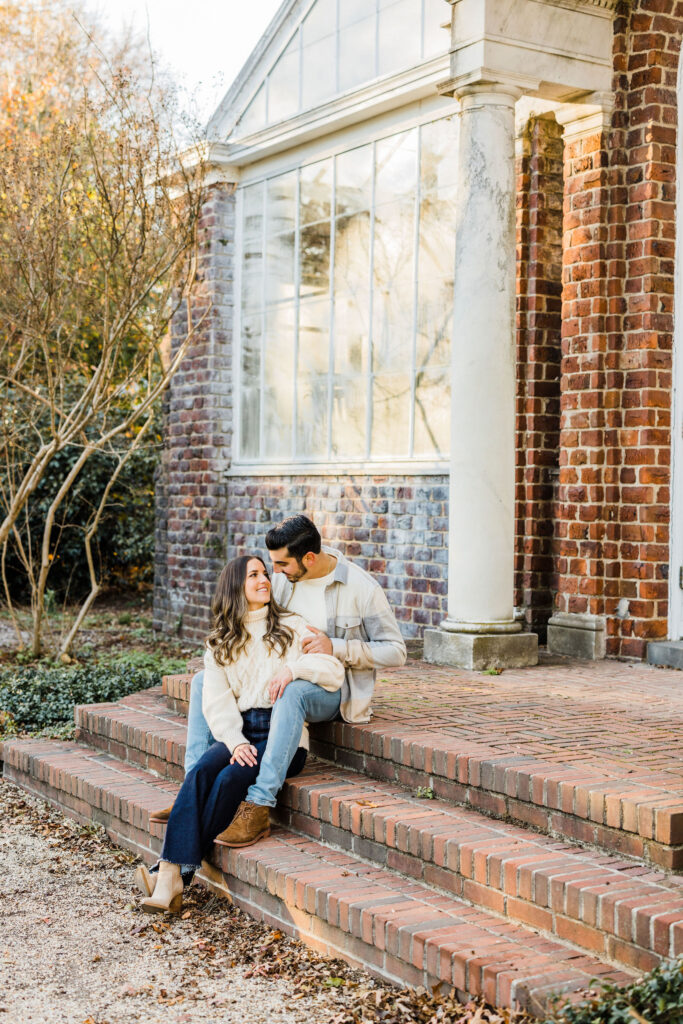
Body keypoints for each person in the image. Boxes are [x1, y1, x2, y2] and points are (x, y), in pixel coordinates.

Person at [150, 514, 407, 848]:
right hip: (286, 679)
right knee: (202, 681)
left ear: (308, 558)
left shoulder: (361, 588)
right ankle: (191, 792)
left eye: (281, 564)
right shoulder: (284, 580)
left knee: (293, 690)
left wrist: (336, 647)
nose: (274, 573)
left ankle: (260, 802)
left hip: (332, 688)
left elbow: (396, 651)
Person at [139, 552, 344, 913]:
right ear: (236, 585)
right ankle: (173, 874)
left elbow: (332, 671)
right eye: (254, 575)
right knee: (202, 771)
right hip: (242, 733)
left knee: (228, 779)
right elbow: (217, 702)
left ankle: (169, 874)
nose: (264, 580)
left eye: (265, 573)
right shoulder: (220, 642)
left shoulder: (292, 626)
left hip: (282, 739)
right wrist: (234, 741)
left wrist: (293, 670)